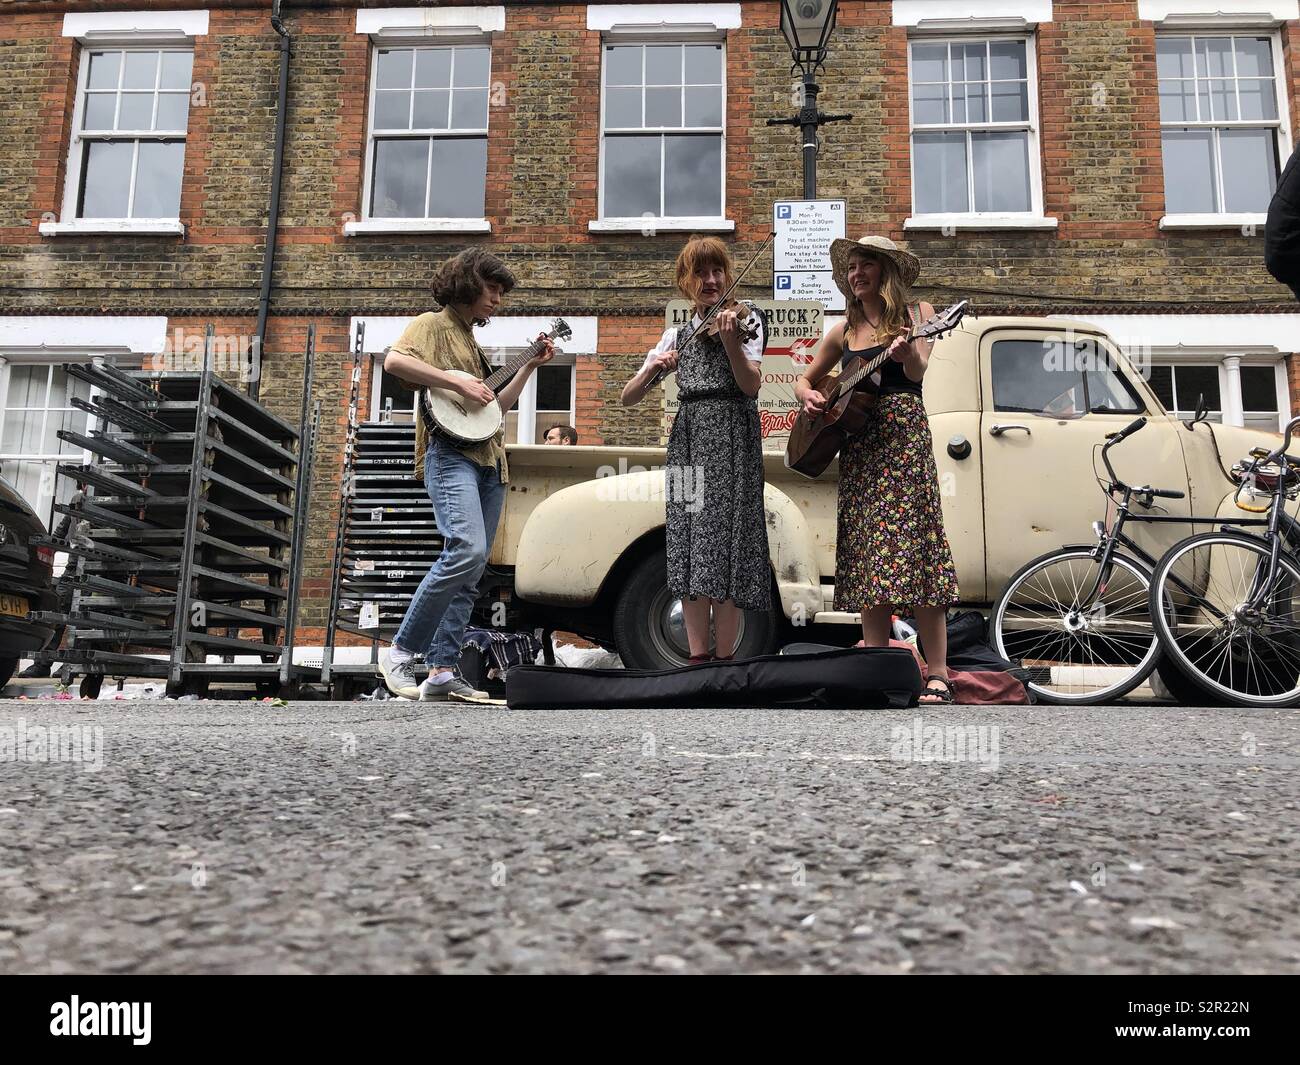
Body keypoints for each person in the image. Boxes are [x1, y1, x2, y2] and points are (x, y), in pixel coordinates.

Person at [377, 248, 555, 700]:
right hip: (451, 455)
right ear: (469, 284)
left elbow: (498, 407)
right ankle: (399, 651)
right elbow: (394, 363)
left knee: (472, 571)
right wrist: (454, 381)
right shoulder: (432, 324)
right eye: (492, 289)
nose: (498, 299)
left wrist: (530, 363)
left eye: (501, 292)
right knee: (466, 548)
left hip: (491, 464)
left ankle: (441, 671)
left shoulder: (473, 343)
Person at [794, 235, 959, 704]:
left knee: (918, 551)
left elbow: (919, 370)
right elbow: (805, 380)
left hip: (903, 440)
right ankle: (879, 666)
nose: (856, 273)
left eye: (866, 265)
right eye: (851, 267)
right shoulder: (842, 329)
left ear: (886, 271)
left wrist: (908, 355)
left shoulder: (918, 316)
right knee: (869, 553)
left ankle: (940, 674)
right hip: (860, 449)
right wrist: (806, 395)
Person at [621, 235, 769, 662]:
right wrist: (652, 368)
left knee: (727, 542)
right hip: (689, 436)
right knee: (688, 541)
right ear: (686, 281)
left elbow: (750, 385)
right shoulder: (676, 334)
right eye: (700, 273)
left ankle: (725, 659)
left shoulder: (748, 320)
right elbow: (629, 397)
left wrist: (729, 343)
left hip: (732, 433)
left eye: (717, 270)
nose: (711, 280)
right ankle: (697, 658)